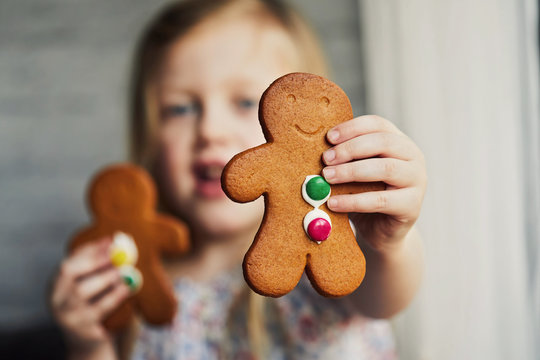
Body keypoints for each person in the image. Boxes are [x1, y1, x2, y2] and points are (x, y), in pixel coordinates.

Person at [50, 0, 426, 359]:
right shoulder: (139, 286)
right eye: (180, 108)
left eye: (247, 102)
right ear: (148, 132)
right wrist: (87, 344)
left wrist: (387, 245)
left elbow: (382, 298)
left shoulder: (318, 250)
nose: (210, 131)